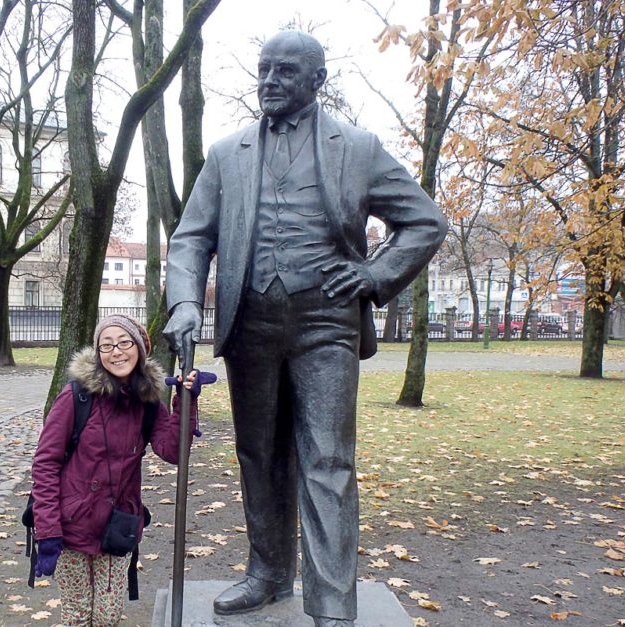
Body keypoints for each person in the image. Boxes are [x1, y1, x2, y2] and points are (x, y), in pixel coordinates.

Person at [164, 30, 448, 626]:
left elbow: (423, 222)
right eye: (263, 70)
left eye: (285, 71)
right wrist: (185, 302)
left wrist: (375, 275)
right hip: (251, 323)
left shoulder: (359, 147)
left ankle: (333, 605)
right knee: (258, 454)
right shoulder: (226, 154)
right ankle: (267, 574)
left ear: (317, 80)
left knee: (327, 460)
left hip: (327, 324)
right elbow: (192, 238)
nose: (269, 81)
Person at [30, 314, 201, 627]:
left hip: (117, 526)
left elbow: (172, 450)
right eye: (106, 345)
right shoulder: (76, 397)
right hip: (72, 526)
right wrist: (48, 532)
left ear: (138, 349)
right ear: (97, 353)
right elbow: (45, 463)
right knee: (77, 618)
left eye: (124, 343)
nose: (117, 352)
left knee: (107, 618)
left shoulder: (147, 400)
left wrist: (185, 403)